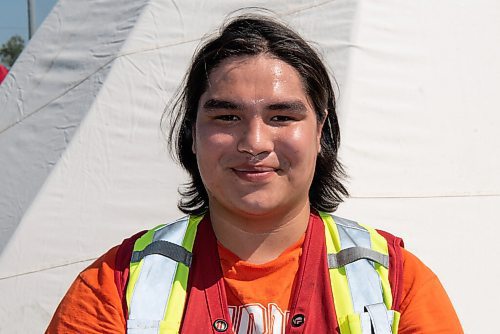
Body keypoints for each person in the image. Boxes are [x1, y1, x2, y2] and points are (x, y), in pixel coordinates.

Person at [47, 13, 462, 333]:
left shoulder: (396, 281)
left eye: (281, 116)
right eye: (226, 116)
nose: (255, 142)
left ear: (320, 132)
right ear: (191, 134)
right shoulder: (115, 287)